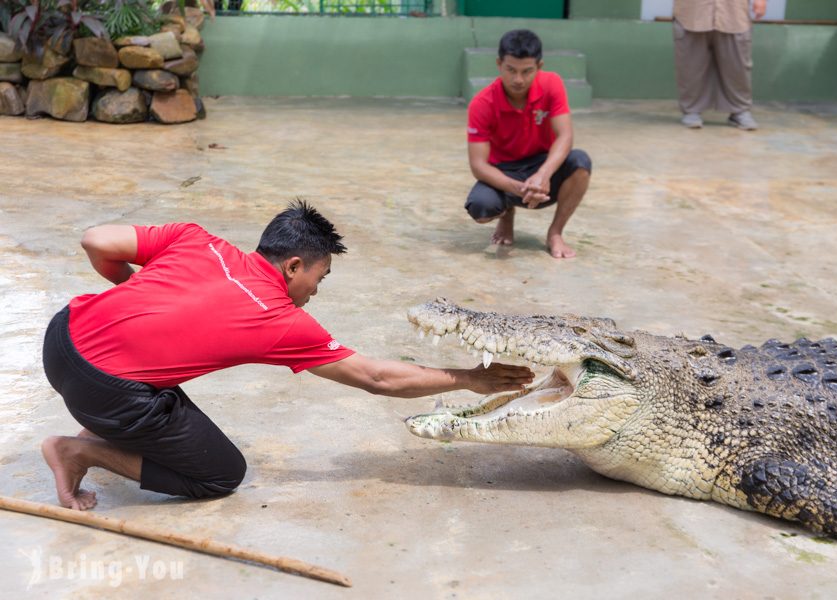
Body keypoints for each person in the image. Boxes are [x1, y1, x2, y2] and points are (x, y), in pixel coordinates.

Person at [40, 201, 534, 510]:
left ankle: (99, 422)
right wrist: (468, 377)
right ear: (294, 265)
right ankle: (79, 449)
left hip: (60, 337)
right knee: (220, 476)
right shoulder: (279, 319)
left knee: (155, 369)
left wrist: (137, 289)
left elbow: (96, 239)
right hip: (101, 388)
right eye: (319, 278)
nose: (316, 291)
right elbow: (377, 378)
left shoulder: (197, 240)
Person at [465, 29, 592, 259]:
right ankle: (506, 215)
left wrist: (543, 175)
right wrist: (518, 188)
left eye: (527, 71)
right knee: (480, 209)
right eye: (511, 70)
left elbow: (565, 136)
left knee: (580, 163)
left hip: (541, 163)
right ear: (498, 64)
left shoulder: (552, 84)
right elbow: (478, 165)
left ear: (539, 66)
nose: (518, 80)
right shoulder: (481, 103)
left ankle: (555, 233)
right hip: (503, 169)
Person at [672, 0, 767, 130]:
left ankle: (739, 111)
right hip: (692, 11)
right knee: (691, 65)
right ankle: (691, 110)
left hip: (733, 13)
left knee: (737, 66)